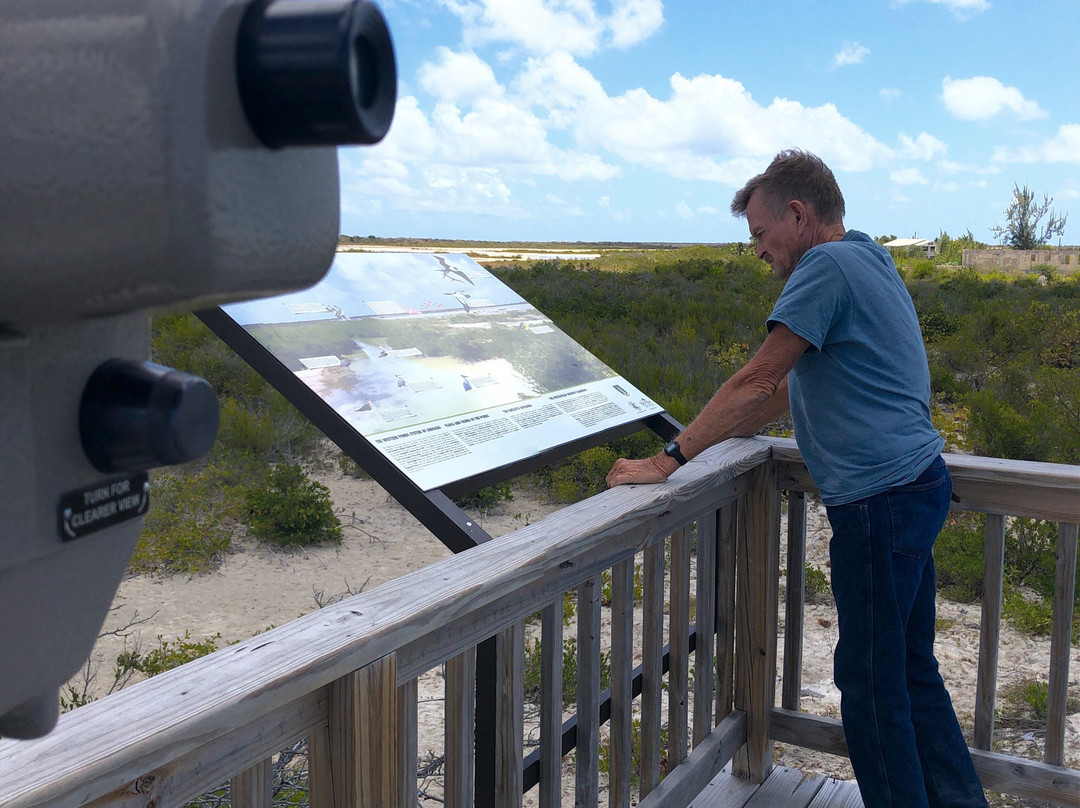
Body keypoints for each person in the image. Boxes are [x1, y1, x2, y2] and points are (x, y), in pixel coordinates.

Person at [606, 149, 988, 808]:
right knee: (912, 673)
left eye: (759, 233)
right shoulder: (868, 255)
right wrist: (733, 429)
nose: (756, 250)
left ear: (797, 213)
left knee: (869, 687)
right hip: (917, 484)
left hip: (879, 501)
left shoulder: (824, 266)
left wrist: (666, 460)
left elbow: (756, 378)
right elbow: (784, 388)